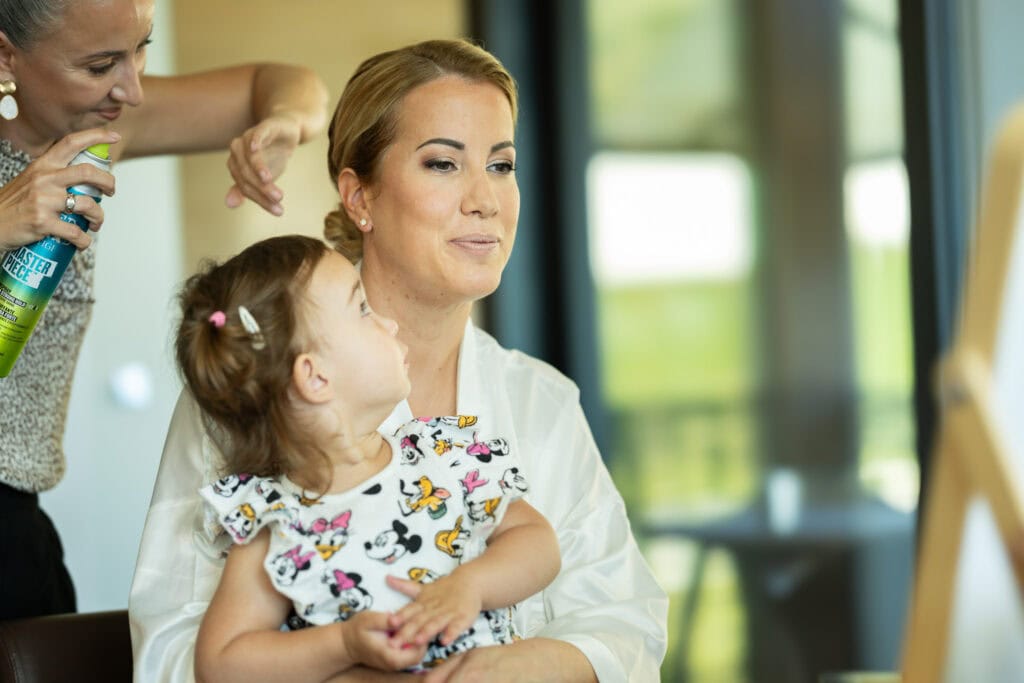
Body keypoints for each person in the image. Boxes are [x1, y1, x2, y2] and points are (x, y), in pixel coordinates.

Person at [130, 38, 668, 682]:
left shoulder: (542, 403)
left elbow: (626, 620)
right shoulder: (255, 381)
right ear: (359, 198)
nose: (485, 200)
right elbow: (171, 649)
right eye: (443, 164)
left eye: (501, 165)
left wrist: (529, 665)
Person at [0, 0, 327, 621]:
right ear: (4, 54)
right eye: (100, 65)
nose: (134, 89)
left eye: (141, 47)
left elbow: (287, 84)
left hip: (17, 532)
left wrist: (281, 123)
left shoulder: (93, 138)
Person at [175, 234, 560, 682]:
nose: (389, 323)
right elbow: (221, 665)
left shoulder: (444, 457)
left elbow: (537, 542)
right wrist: (342, 644)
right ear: (315, 377)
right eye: (362, 310)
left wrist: (470, 586)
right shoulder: (277, 521)